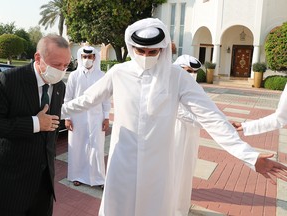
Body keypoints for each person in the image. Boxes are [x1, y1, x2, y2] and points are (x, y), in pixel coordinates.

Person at [61, 18, 287, 216]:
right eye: (140, 51)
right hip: (123, 162)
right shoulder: (119, 73)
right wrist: (52, 112)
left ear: (162, 49)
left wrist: (248, 155)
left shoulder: (177, 77)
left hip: (158, 166)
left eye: (152, 52)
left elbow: (211, 117)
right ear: (132, 48)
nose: (146, 56)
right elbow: (86, 100)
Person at [0, 34, 71, 216]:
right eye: (57, 65)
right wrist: (34, 123)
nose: (62, 70)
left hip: (44, 185)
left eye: (66, 65)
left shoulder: (59, 87)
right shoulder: (8, 81)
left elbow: (52, 132)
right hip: (11, 183)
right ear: (38, 58)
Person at [64, 45, 110, 188]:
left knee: (97, 148)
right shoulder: (74, 75)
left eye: (90, 57)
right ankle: (76, 175)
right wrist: (67, 117)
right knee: (77, 147)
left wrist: (106, 117)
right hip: (77, 118)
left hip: (96, 117)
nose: (87, 59)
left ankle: (99, 179)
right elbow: (68, 98)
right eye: (84, 57)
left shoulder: (102, 76)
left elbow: (106, 98)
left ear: (94, 57)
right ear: (80, 57)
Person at [173, 55, 202, 215]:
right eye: (188, 70)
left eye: (194, 71)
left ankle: (180, 209)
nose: (192, 74)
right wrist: (202, 122)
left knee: (186, 170)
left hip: (191, 135)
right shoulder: (170, 85)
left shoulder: (196, 88)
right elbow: (178, 112)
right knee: (174, 170)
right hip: (175, 132)